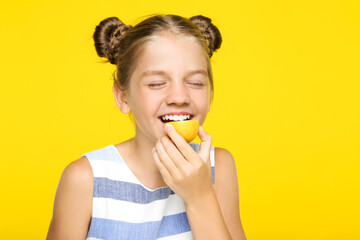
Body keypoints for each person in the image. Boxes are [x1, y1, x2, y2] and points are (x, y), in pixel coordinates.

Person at [46, 14, 246, 240]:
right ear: (123, 97)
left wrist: (200, 196)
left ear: (210, 94)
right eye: (157, 83)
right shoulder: (85, 179)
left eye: (195, 83)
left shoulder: (218, 167)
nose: (179, 97)